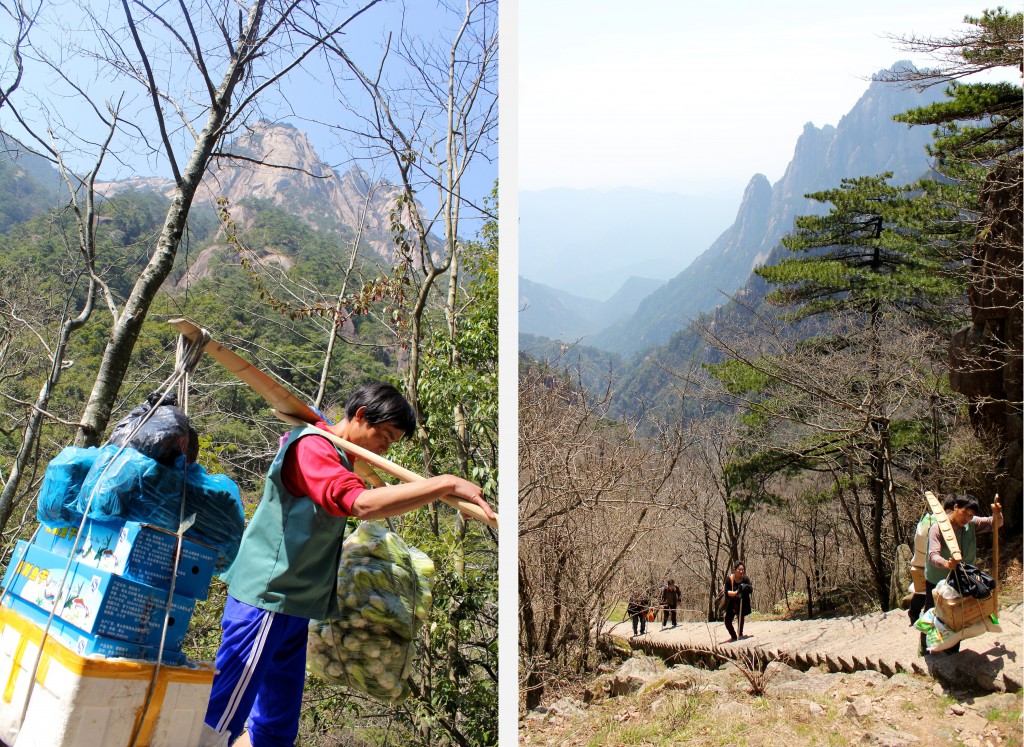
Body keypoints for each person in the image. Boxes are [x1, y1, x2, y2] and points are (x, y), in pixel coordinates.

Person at [201, 382, 496, 747]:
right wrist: (444, 483)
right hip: (267, 598)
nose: (386, 447)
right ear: (359, 416)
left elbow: (371, 498)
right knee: (224, 714)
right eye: (385, 435)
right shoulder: (312, 447)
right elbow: (360, 504)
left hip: (297, 605)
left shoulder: (340, 456)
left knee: (276, 725)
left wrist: (443, 490)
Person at [920, 493, 1001, 656]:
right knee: (933, 612)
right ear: (956, 507)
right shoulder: (937, 528)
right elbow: (932, 555)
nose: (967, 518)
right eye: (965, 513)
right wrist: (946, 563)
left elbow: (995, 523)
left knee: (956, 613)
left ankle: (952, 652)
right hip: (937, 578)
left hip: (961, 578)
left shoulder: (972, 524)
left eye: (970, 515)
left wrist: (997, 513)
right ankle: (926, 648)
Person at [908, 495, 956, 626]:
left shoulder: (928, 519)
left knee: (923, 592)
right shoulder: (941, 523)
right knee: (928, 593)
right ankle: (924, 619)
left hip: (922, 561)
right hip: (935, 563)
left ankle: (914, 615)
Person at [722, 562, 752, 643]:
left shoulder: (745, 579)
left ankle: (740, 634)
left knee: (740, 617)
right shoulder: (729, 579)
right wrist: (736, 593)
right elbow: (726, 591)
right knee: (727, 621)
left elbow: (750, 589)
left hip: (742, 601)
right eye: (739, 570)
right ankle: (733, 636)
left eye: (743, 570)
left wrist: (744, 589)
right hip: (731, 602)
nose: (741, 571)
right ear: (735, 570)